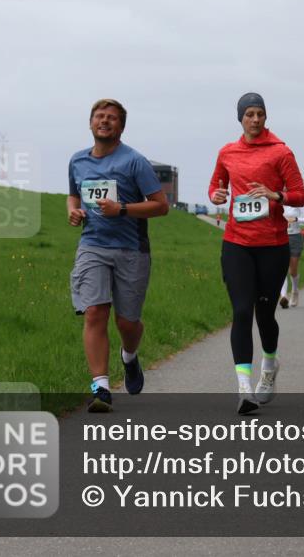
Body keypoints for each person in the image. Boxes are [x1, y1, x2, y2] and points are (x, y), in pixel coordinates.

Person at [67, 98, 169, 412]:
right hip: (92, 246)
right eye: (100, 116)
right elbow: (73, 193)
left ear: (121, 127)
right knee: (95, 312)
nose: (105, 121)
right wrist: (74, 211)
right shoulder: (77, 161)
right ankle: (100, 386)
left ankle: (129, 356)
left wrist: (122, 208)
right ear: (90, 123)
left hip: (131, 250)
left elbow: (161, 205)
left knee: (127, 323)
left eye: (112, 117)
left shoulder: (135, 162)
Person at [209, 92, 304, 414]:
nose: (254, 119)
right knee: (240, 311)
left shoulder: (281, 152)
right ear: (240, 117)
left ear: (266, 117)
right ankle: (244, 388)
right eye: (249, 113)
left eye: (260, 113)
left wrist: (274, 194)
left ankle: (269, 366)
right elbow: (215, 187)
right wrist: (218, 194)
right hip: (237, 243)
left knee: (265, 315)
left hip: (273, 245)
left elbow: (300, 195)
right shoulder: (227, 152)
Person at [279, 205, 304, 308]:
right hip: (280, 235)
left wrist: (296, 219)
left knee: (292, 270)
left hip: (295, 237)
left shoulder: (297, 200)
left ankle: (295, 290)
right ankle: (283, 296)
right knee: (282, 268)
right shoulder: (276, 197)